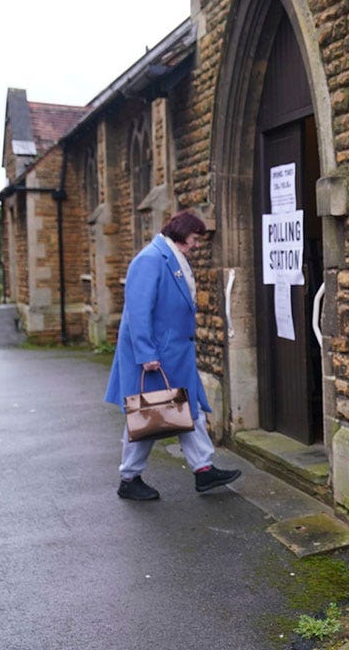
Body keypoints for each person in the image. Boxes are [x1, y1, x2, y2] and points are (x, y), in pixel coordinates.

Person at [104, 210, 241, 501]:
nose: (196, 245)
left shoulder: (170, 257)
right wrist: (145, 353)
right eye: (194, 239)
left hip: (173, 354)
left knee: (186, 411)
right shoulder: (150, 260)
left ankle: (203, 471)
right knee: (147, 415)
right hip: (156, 357)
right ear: (181, 233)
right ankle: (128, 478)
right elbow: (137, 313)